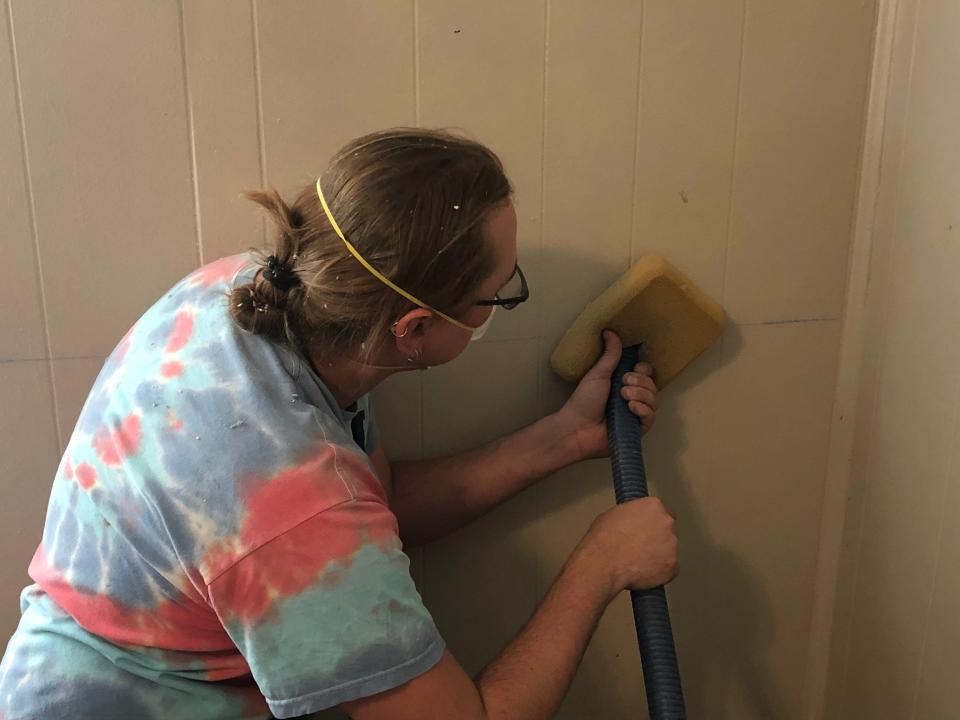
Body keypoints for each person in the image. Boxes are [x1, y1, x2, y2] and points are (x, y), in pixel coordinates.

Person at [0, 128, 676, 719]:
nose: (500, 303)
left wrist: (560, 440)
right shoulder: (296, 496)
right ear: (414, 329)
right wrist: (601, 565)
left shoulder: (248, 293)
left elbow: (367, 512)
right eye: (496, 295)